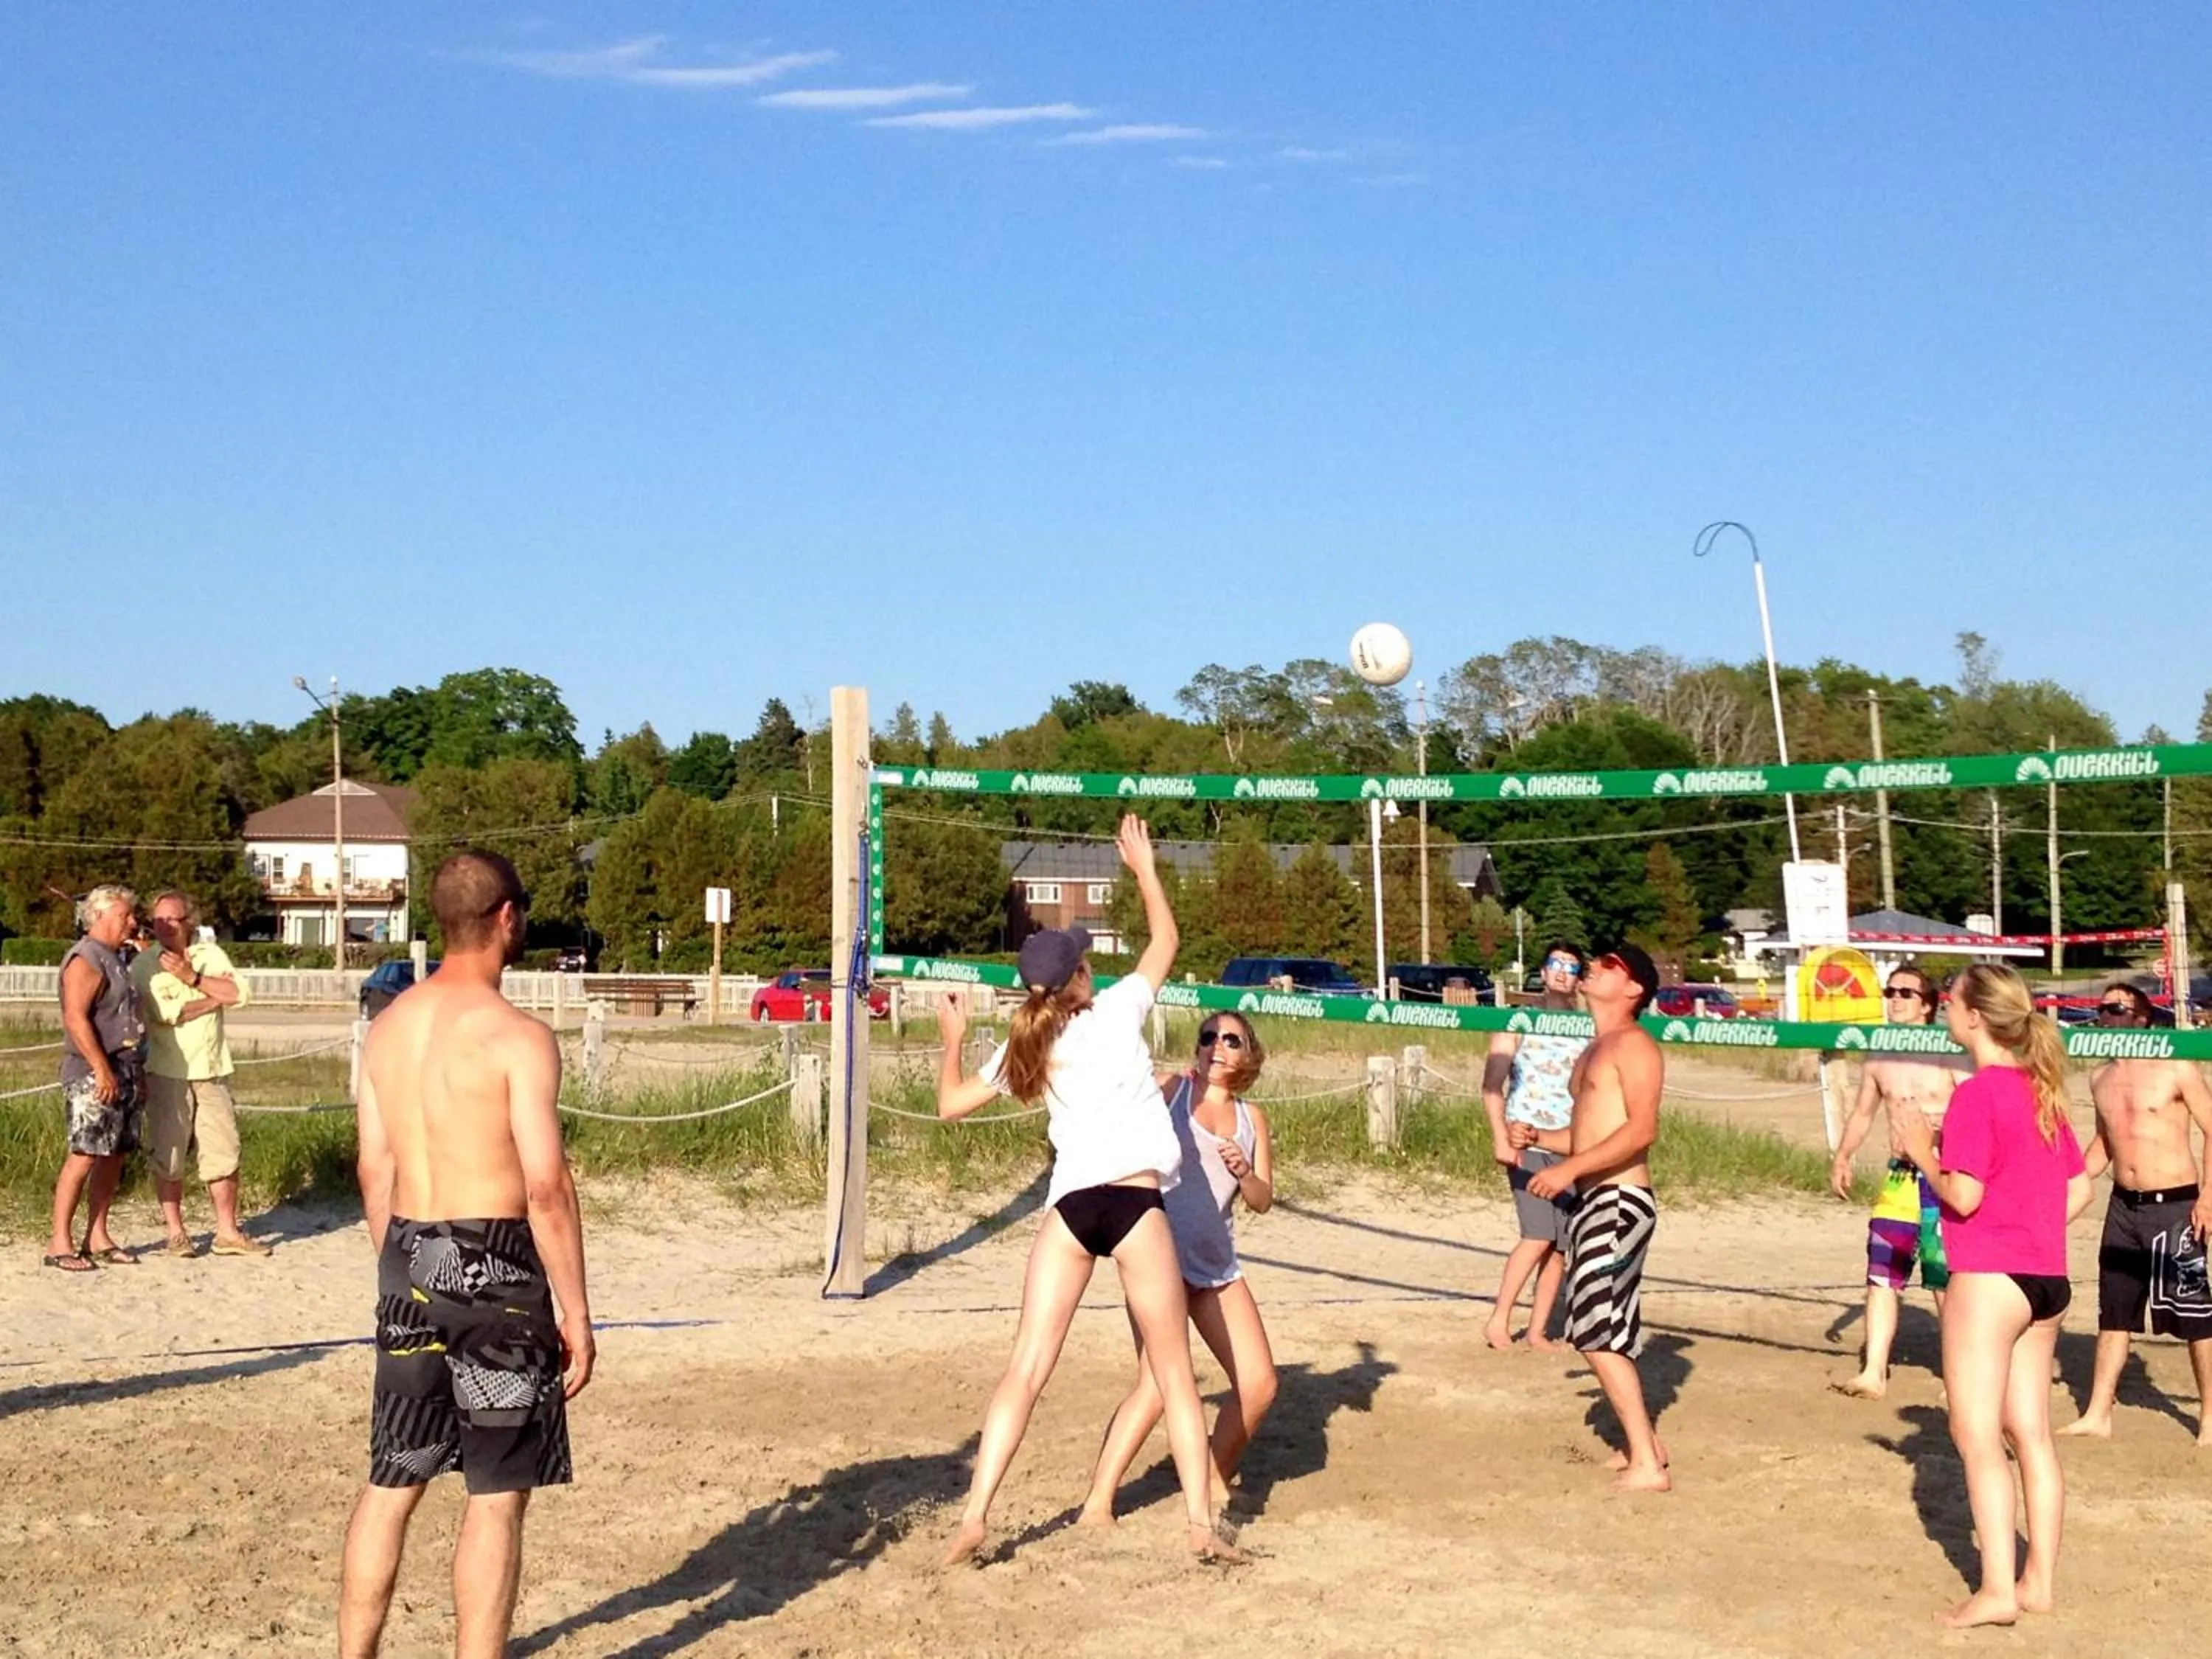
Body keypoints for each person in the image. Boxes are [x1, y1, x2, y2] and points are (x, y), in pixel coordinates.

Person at [934, 813, 1242, 1565]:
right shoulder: (1115, 1012)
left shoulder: (1029, 1039)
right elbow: (1165, 943)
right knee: (1174, 1372)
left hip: (1071, 1209)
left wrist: (951, 1041)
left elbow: (949, 1107)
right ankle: (1201, 1526)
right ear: (1077, 979)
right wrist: (1142, 870)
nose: (1089, 964)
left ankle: (975, 1517)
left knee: (1027, 1368)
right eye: (1081, 960)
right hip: (1135, 1205)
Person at [338, 852, 593, 1659]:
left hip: (409, 1252)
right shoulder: (519, 1037)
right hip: (498, 1268)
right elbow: (546, 1186)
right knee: (495, 1494)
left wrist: (402, 1268)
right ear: (507, 918)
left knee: (393, 1482)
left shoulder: (390, 1027)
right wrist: (575, 1312)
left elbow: (373, 1167)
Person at [1893, 964, 2093, 1628]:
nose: (1945, 1011)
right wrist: (2028, 1228)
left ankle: (1999, 1591)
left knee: (1975, 1433)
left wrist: (1922, 1150)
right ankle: (2039, 1583)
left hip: (1992, 1277)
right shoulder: (2042, 1091)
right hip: (2047, 1279)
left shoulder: (1978, 1095)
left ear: (1974, 1016)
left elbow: (1964, 1195)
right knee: (2031, 1434)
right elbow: (2079, 1190)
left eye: (1949, 1002)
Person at [1079, 1007, 1278, 1525]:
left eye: (1231, 1039)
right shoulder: (1172, 1091)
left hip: (1216, 1265)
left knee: (1259, 1384)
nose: (1218, 1046)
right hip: (1158, 1258)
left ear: (1247, 1054)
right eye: (1209, 1037)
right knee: (1156, 1384)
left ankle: (1211, 1475)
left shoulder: (1253, 1120)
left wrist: (1245, 1171)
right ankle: (1098, 1502)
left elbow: (1262, 1199)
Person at [1523, 943, 1669, 1492]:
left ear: (1634, 989)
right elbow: (1590, 1136)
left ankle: (1649, 1466)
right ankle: (1646, 1446)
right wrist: (1541, 1140)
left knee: (1595, 1331)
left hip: (1619, 1199)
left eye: (1611, 966)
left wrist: (1568, 1171)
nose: (1595, 969)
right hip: (1595, 1198)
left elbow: (1640, 1131)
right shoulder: (1596, 1046)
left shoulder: (1634, 1045)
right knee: (1603, 1327)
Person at [2056, 981, 2212, 1444]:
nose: (2107, 1016)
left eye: (2117, 1008)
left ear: (2143, 1017)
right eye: (2102, 1009)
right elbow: (2104, 1144)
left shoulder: (2175, 1067)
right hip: (2123, 1205)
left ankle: (2209, 1417)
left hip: (2177, 1204)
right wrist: (2064, 1192)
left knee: (2197, 1316)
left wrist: (2208, 1198)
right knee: (2114, 1312)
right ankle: (2098, 1412)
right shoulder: (2099, 1076)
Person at [1827, 962, 1962, 1397]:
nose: (1896, 1000)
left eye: (1906, 994)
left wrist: (1940, 1137)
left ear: (1927, 1006)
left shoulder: (1949, 1050)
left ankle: (1961, 1375)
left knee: (1945, 1277)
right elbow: (1864, 1112)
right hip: (1900, 1177)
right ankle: (1874, 1371)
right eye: (1891, 992)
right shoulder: (1880, 1054)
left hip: (1942, 1173)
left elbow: (1974, 1109)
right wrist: (1843, 1155)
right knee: (1882, 1273)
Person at [131, 890, 270, 1259]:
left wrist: (194, 978)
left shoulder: (211, 954)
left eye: (171, 920)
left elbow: (241, 993)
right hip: (167, 1071)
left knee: (224, 1150)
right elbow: (166, 1013)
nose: (162, 926)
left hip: (212, 1068)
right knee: (169, 1153)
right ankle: (176, 1232)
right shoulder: (144, 966)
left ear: (188, 922)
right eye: (157, 919)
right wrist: (213, 996)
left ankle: (227, 1231)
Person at [1481, 942, 1587, 1349]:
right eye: (1556, 965)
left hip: (1571, 1145)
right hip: (1526, 1140)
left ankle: (1538, 1330)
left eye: (1572, 968)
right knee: (1538, 1234)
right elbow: (1492, 1086)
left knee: (1561, 1244)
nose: (1563, 973)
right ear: (1542, 973)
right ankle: (1499, 1320)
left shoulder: (1587, 1027)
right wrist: (1500, 1137)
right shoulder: (1518, 1021)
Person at [46, 885, 147, 1272]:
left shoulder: (117, 957)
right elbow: (76, 1017)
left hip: (126, 1069)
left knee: (114, 1156)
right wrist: (102, 1069)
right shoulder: (85, 958)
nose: (133, 921)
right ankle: (60, 1242)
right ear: (100, 916)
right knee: (85, 1154)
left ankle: (98, 1235)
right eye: (125, 915)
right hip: (94, 1073)